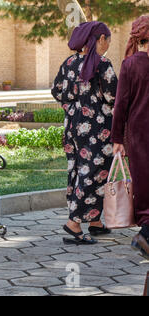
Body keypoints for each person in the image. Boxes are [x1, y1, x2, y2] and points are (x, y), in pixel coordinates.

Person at [51, 21, 118, 245]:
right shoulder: (103, 63)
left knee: (78, 171)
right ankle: (74, 223)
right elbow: (114, 97)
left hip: (73, 127)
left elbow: (57, 91)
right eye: (108, 40)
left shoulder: (69, 62)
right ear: (100, 39)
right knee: (95, 173)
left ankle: (95, 220)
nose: (108, 44)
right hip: (98, 130)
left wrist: (73, 107)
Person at [111, 15, 149, 259]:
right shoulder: (133, 64)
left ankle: (145, 233)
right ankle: (145, 235)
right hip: (140, 135)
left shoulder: (130, 64)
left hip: (137, 135)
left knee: (144, 184)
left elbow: (120, 105)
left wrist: (118, 139)